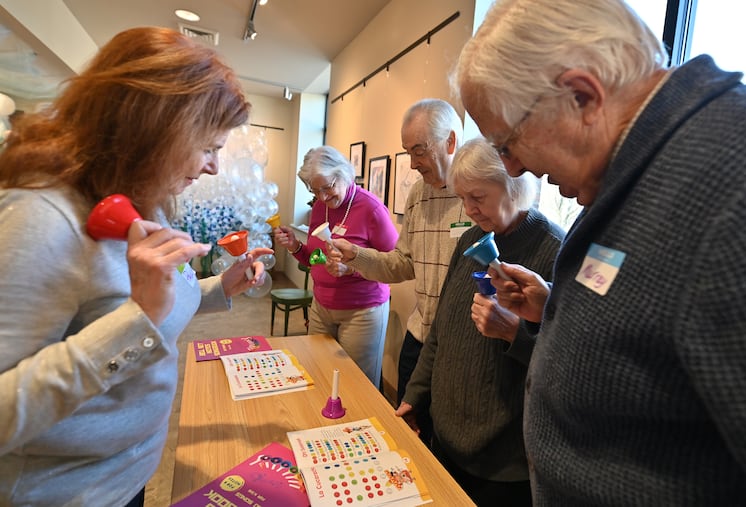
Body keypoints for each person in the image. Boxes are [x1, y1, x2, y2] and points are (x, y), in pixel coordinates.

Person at [452, 0, 746, 504]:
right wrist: (554, 309)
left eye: (507, 144)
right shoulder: (637, 173)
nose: (512, 170)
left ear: (582, 96)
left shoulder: (740, 182)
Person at [0, 27, 271, 507]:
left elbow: (150, 301)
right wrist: (135, 318)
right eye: (207, 147)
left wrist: (217, 287)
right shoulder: (41, 218)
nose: (212, 167)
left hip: (128, 475)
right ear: (155, 129)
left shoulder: (144, 199)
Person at [395, 138, 564, 506]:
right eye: (463, 198)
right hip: (446, 437)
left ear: (513, 186)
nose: (469, 209)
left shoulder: (555, 251)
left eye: (478, 197)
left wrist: (514, 335)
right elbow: (439, 331)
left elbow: (568, 367)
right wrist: (414, 396)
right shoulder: (472, 240)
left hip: (503, 463)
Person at [329, 99, 466, 443]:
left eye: (419, 150)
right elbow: (402, 263)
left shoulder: (478, 193)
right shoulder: (418, 195)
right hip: (419, 338)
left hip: (460, 347)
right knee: (410, 431)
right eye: (407, 151)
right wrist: (355, 255)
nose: (412, 163)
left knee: (447, 444)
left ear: (451, 142)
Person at [274, 146, 398, 389]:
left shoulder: (371, 209)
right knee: (318, 374)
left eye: (327, 187)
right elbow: (314, 258)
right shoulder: (321, 207)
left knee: (355, 385)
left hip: (362, 311)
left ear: (344, 173)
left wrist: (351, 269)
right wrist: (295, 246)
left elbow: (394, 265)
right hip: (321, 306)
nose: (322, 197)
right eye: (314, 190)